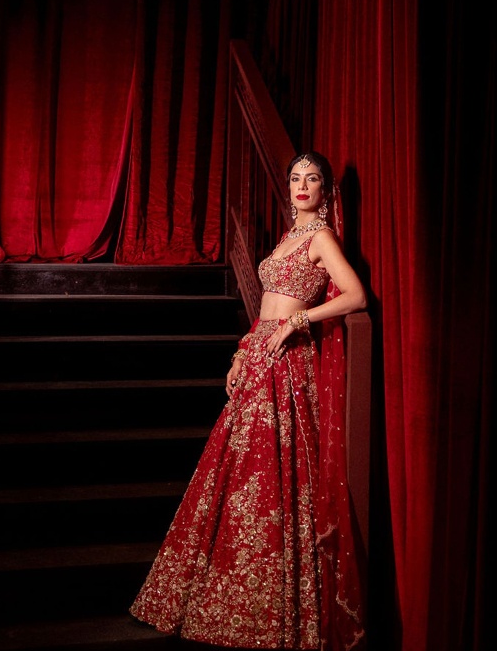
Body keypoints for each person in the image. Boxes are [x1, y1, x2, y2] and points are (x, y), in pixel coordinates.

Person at [130, 152, 368, 650]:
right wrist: (243, 352)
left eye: (313, 179)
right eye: (296, 178)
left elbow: (355, 296)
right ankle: (226, 597)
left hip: (287, 363)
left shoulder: (322, 238)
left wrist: (300, 321)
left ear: (326, 192)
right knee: (237, 473)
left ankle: (272, 608)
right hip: (259, 355)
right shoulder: (287, 238)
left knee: (274, 475)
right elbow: (266, 307)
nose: (303, 186)